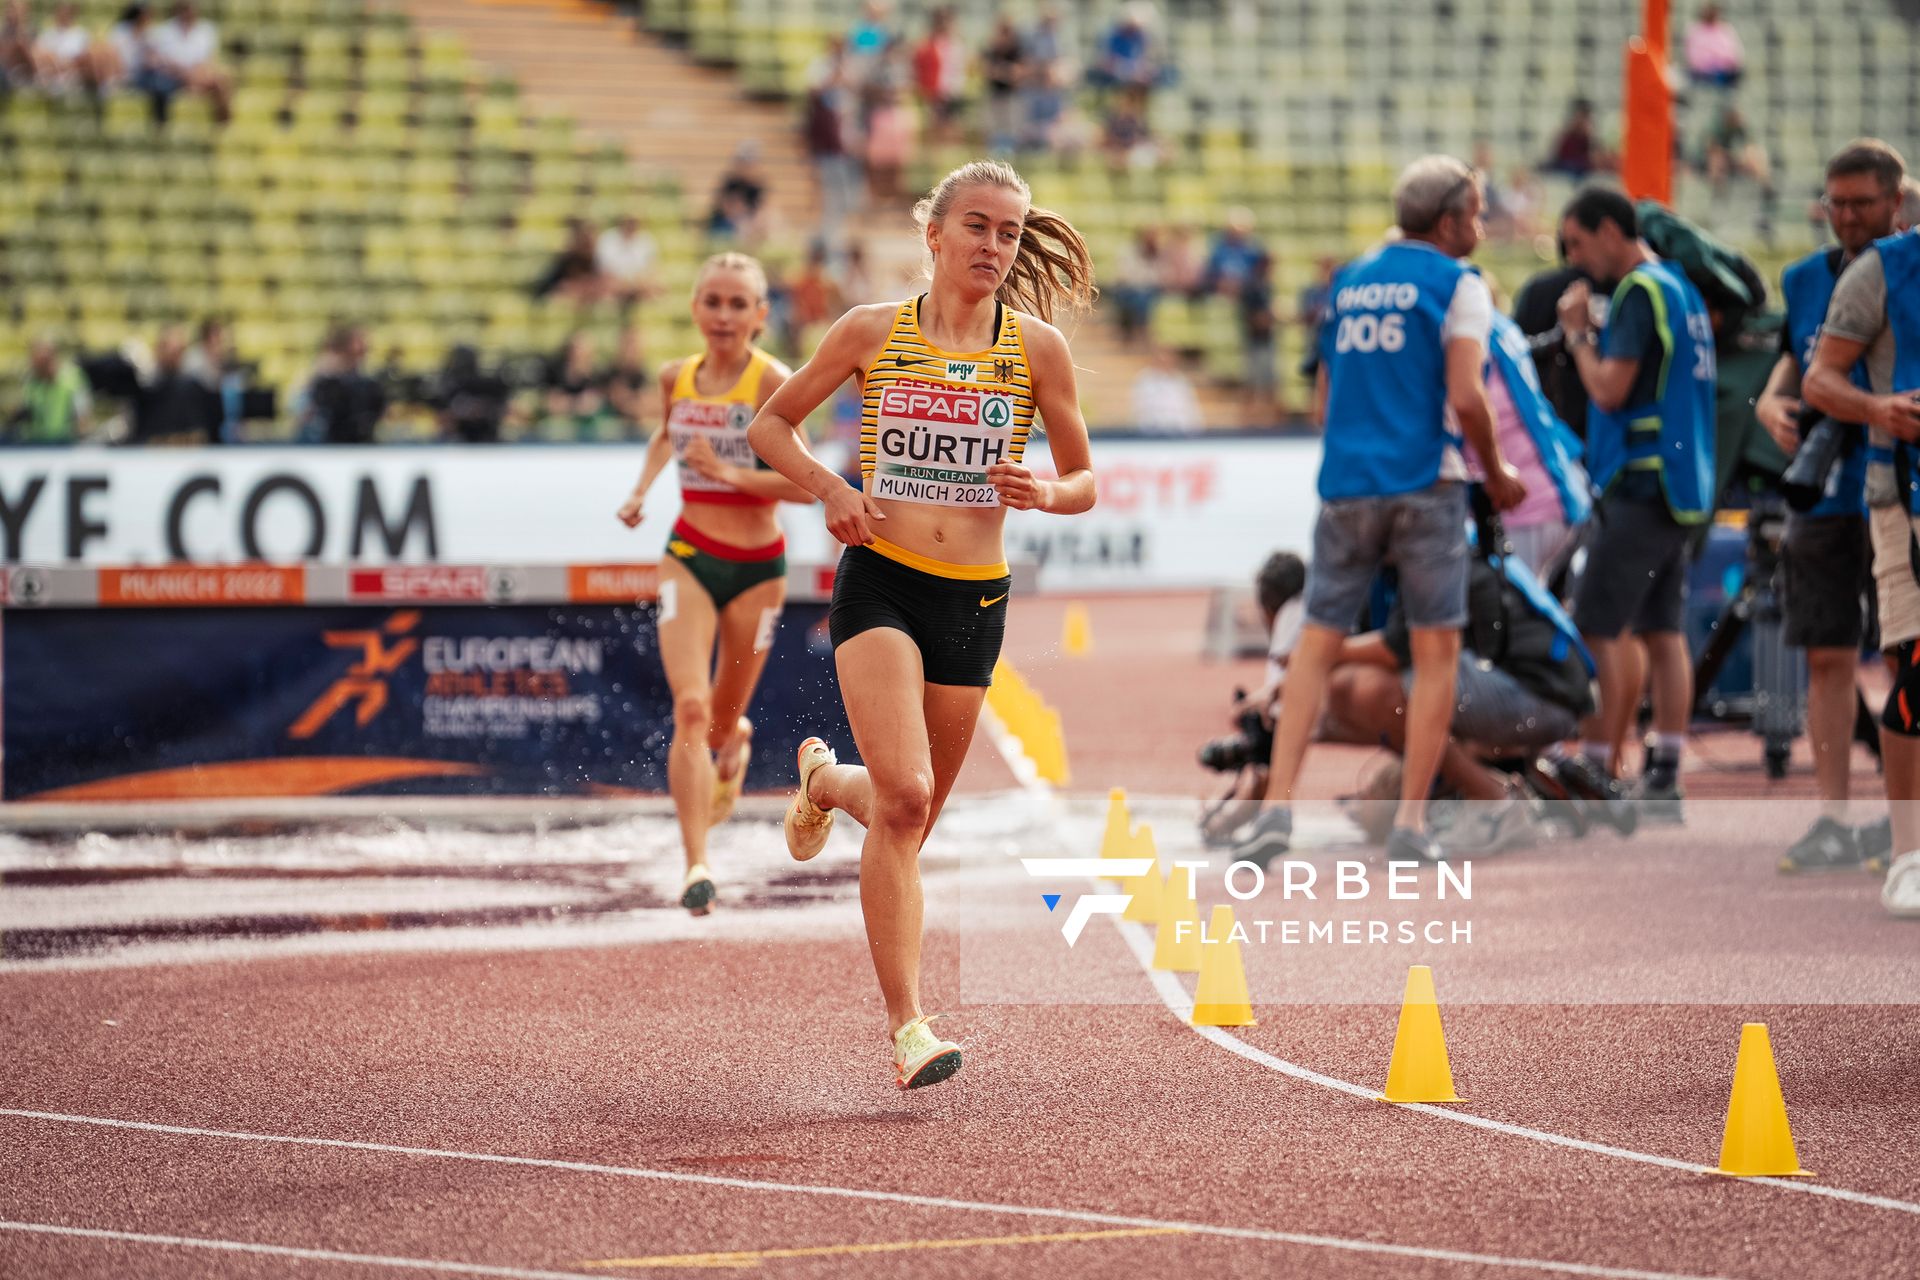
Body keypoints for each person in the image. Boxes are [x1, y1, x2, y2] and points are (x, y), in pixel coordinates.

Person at [747, 159, 1097, 1088]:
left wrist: (1046, 491)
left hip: (975, 601)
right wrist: (830, 490)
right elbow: (770, 428)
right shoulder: (871, 332)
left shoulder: (1037, 349)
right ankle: (909, 1029)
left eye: (1009, 233)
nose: (993, 245)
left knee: (910, 815)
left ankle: (823, 782)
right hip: (883, 584)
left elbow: (1084, 479)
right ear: (933, 234)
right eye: (976, 226)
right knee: (905, 797)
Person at [1234, 155, 1527, 868]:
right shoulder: (1461, 286)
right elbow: (1466, 396)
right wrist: (1500, 473)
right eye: (1478, 215)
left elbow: (1323, 404)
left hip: (1347, 484)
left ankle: (1277, 810)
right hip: (1426, 481)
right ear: (1451, 219)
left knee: (1316, 646)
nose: (1482, 228)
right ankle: (1412, 824)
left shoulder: (1349, 282)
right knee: (1435, 658)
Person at [617, 254, 813, 916]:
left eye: (738, 305)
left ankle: (736, 752)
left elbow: (803, 484)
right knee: (691, 712)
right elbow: (663, 434)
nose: (723, 316)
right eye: (712, 302)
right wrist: (643, 490)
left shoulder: (772, 382)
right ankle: (697, 863)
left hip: (758, 571)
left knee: (724, 726)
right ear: (695, 308)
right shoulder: (676, 376)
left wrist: (729, 476)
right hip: (689, 553)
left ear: (760, 315)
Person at [1757, 141, 1906, 872]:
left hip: (1896, 491)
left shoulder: (1907, 270)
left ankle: (1901, 823)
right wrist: (1768, 401)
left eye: (1861, 203)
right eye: (1835, 203)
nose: (1845, 216)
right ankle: (1834, 818)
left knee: (1905, 658)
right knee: (1827, 653)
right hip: (1822, 496)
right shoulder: (1803, 278)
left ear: (1897, 199)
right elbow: (1798, 356)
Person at [1553, 188, 1717, 822]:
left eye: (1577, 242)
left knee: (1601, 626)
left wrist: (1576, 339)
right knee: (1661, 631)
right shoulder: (1679, 288)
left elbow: (1610, 389)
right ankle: (1665, 769)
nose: (1574, 258)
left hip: (1641, 482)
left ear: (1611, 232)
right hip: (1681, 482)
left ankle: (1600, 766)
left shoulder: (1636, 292)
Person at [1802, 178, 1920, 920]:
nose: (1845, 215)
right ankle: (1909, 855)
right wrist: (1879, 409)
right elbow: (1820, 377)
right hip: (1903, 500)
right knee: (1914, 668)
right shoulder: (1882, 269)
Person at [1470, 309, 1591, 575]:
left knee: (1507, 610)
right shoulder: (1498, 325)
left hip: (1525, 506)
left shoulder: (1465, 333)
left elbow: (1466, 407)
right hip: (1560, 491)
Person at [7, 337, 93, 443]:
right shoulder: (31, 381)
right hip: (36, 441)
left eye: (42, 363)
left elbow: (83, 415)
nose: (36, 368)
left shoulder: (72, 378)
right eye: (35, 363)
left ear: (52, 360)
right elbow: (26, 410)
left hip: (65, 442)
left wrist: (80, 437)